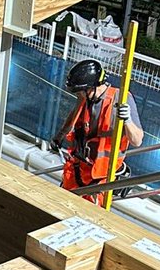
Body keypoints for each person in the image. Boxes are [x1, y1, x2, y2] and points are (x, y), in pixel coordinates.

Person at [51, 58, 144, 207]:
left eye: (81, 92)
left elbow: (137, 140)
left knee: (89, 215)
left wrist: (127, 120)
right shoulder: (86, 97)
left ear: (92, 87)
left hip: (101, 175)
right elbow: (74, 116)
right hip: (78, 168)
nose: (79, 95)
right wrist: (59, 137)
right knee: (62, 206)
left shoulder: (120, 99)